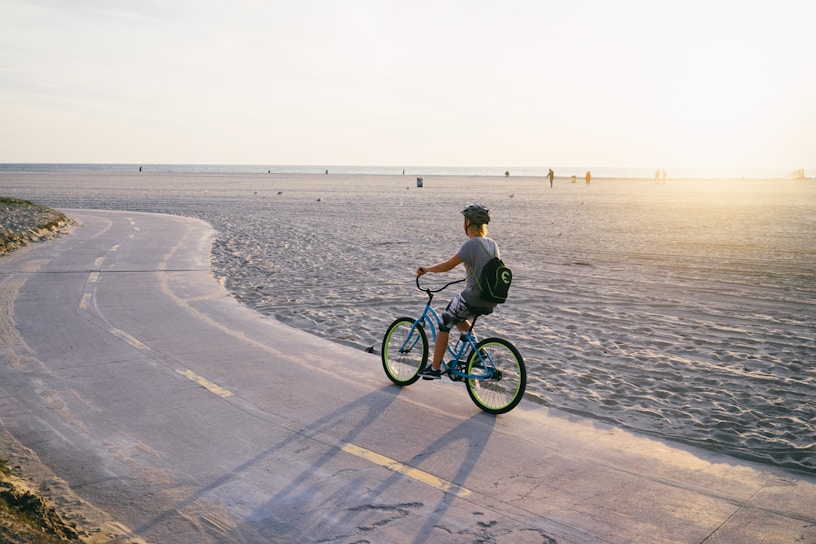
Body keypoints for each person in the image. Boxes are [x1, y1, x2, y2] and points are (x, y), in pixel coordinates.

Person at [416, 204, 500, 379]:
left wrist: (428, 269)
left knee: (445, 321)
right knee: (460, 318)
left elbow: (448, 266)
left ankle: (435, 368)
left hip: (473, 297)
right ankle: (478, 354)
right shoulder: (493, 245)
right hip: (490, 298)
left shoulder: (470, 245)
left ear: (468, 223)